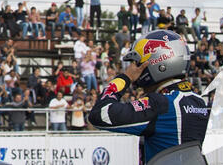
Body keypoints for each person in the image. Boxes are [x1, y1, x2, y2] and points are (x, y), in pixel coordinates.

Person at [89, 30, 210, 163]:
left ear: (158, 63)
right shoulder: (198, 102)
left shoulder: (162, 104)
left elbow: (100, 114)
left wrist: (126, 77)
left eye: (138, 64)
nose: (136, 71)